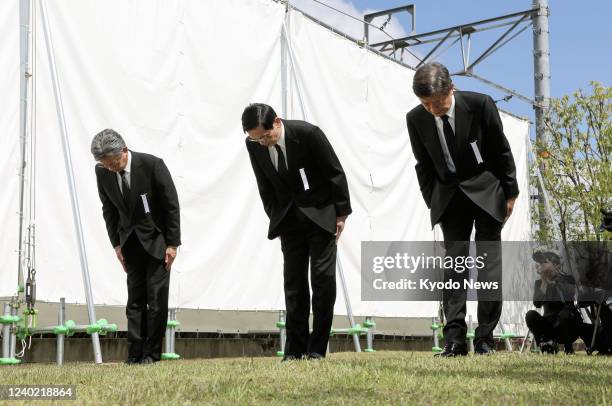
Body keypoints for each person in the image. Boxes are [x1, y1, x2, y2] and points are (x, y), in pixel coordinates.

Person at [406, 62, 519, 356]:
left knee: (488, 265)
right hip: (448, 197)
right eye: (426, 104)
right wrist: (433, 200)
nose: (432, 110)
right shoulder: (415, 119)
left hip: (485, 191)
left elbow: (501, 150)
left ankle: (484, 339)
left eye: (437, 102)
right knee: (454, 268)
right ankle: (454, 340)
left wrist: (510, 192)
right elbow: (423, 165)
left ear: (451, 89)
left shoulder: (480, 105)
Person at [242, 103, 351, 360]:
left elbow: (335, 173)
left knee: (322, 282)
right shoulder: (254, 145)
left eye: (267, 136)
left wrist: (341, 213)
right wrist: (275, 217)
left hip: (321, 214)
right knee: (294, 284)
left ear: (277, 122)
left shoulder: (308, 134)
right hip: (289, 221)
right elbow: (264, 184)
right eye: (257, 139)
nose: (264, 143)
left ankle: (316, 349)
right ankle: (294, 350)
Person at [91, 129, 180, 364]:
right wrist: (116, 245)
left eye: (115, 162)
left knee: (156, 299)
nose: (113, 168)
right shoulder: (103, 173)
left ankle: (151, 354)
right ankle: (134, 354)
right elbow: (108, 209)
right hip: (129, 243)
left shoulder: (151, 165)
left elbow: (171, 205)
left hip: (157, 241)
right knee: (135, 301)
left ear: (125, 150)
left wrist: (172, 243)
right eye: (107, 164)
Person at [525, 250, 592, 354]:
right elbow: (537, 303)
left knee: (563, 314)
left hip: (570, 324)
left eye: (546, 263)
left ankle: (568, 347)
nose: (543, 267)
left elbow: (568, 295)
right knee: (530, 315)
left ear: (558, 266)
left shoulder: (568, 279)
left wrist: (556, 278)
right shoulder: (539, 283)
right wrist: (544, 281)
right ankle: (546, 345)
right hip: (551, 325)